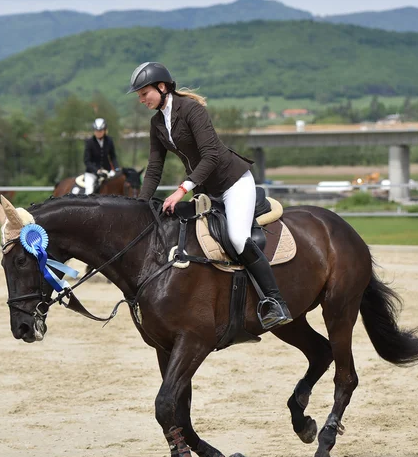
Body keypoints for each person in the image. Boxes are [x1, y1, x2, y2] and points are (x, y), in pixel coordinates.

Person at [127, 62, 292, 328]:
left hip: (233, 182)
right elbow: (155, 167)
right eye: (139, 96)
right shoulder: (157, 122)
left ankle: (275, 302)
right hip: (207, 190)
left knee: (238, 237)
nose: (141, 99)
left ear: (162, 87)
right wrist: (140, 206)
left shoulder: (192, 110)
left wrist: (182, 189)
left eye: (144, 93)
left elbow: (211, 156)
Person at [83, 118, 120, 195]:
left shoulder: (109, 140)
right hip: (92, 173)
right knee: (89, 191)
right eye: (96, 131)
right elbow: (87, 161)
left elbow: (113, 156)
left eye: (100, 131)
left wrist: (116, 168)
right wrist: (97, 171)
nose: (98, 133)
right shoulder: (89, 142)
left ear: (104, 130)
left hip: (107, 171)